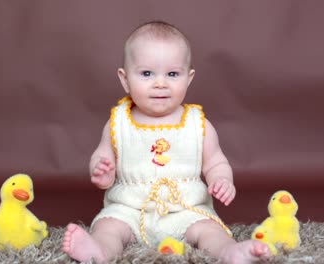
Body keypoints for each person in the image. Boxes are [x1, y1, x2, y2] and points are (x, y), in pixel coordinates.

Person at [62, 21, 272, 263]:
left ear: (189, 78)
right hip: (130, 208)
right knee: (109, 226)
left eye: (172, 74)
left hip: (185, 209)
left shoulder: (198, 123)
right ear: (125, 79)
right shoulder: (118, 122)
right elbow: (102, 156)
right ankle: (98, 251)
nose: (160, 83)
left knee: (209, 230)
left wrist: (221, 179)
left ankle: (230, 252)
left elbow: (215, 162)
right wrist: (102, 171)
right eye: (146, 73)